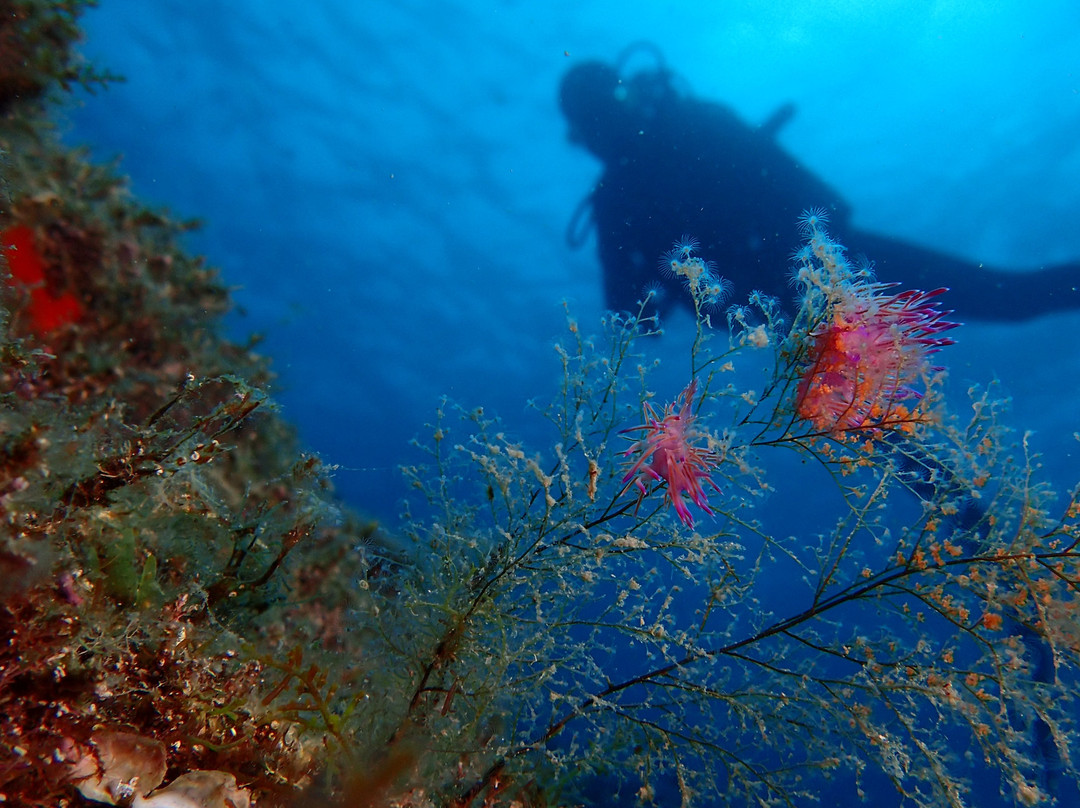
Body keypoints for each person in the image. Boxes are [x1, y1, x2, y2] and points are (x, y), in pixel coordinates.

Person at [559, 49, 1080, 323]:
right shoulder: (682, 134)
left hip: (796, 299)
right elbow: (819, 197)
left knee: (899, 445)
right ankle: (963, 516)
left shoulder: (620, 196)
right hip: (827, 270)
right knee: (1011, 298)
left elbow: (632, 320)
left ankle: (964, 517)